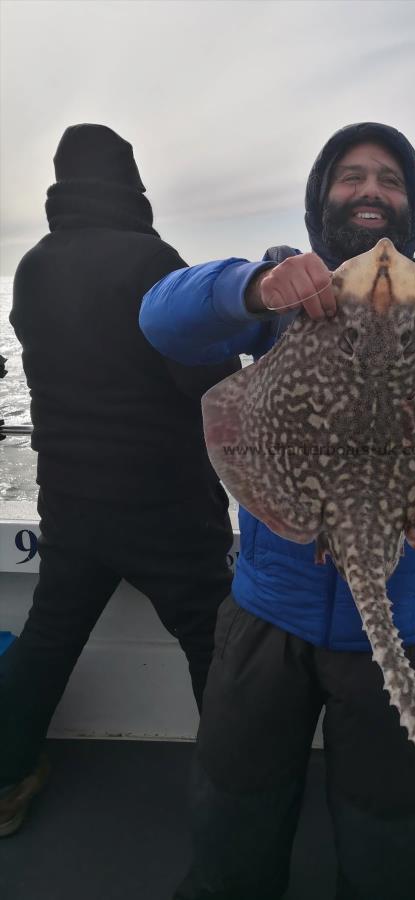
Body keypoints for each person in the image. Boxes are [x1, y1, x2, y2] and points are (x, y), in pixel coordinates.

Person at [139, 122, 415, 900]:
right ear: (322, 201)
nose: (371, 190)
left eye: (390, 179)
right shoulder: (285, 289)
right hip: (266, 616)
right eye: (351, 177)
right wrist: (247, 285)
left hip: (399, 621)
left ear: (410, 207)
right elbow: (161, 318)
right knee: (231, 819)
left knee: (390, 840)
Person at [0, 124, 239, 837]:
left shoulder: (31, 267)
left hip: (70, 504)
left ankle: (6, 779)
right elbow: (208, 382)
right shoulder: (153, 260)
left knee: (49, 635)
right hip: (165, 508)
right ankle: (232, 796)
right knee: (214, 642)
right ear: (131, 183)